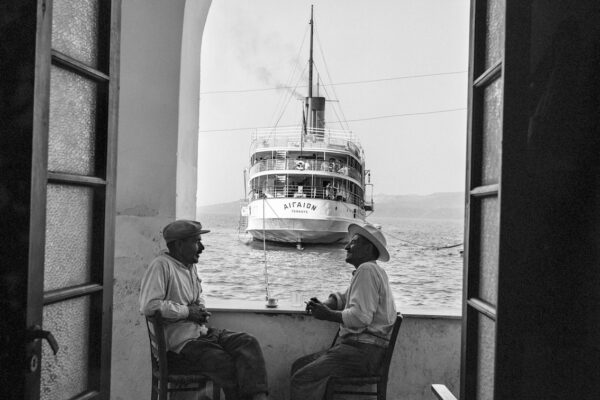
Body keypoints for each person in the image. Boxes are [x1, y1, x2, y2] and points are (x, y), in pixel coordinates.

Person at [139, 220, 269, 400]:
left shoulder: (189, 266)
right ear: (179, 245)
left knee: (247, 342)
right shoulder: (161, 266)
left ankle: (259, 398)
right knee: (224, 362)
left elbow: (197, 298)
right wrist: (187, 312)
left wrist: (199, 310)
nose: (202, 248)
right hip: (178, 347)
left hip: (200, 334)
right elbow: (149, 306)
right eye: (196, 242)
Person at [290, 223, 397, 400]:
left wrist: (326, 315)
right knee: (298, 366)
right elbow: (343, 299)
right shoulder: (371, 271)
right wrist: (324, 304)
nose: (347, 246)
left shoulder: (367, 270)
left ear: (368, 248)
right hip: (360, 352)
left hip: (362, 354)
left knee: (302, 378)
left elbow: (360, 318)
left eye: (353, 243)